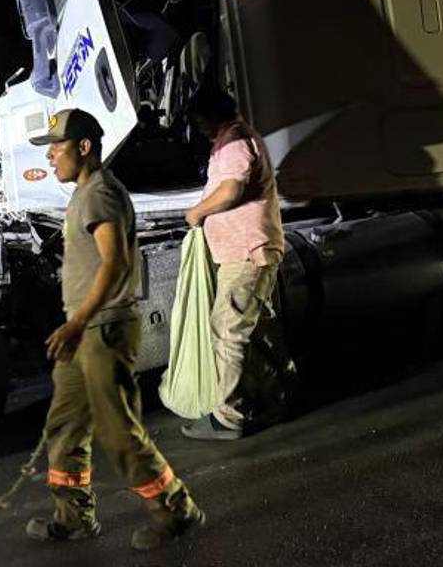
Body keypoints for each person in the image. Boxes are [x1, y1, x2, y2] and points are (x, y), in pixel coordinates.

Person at [25, 108, 204, 551]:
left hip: (102, 330)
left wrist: (79, 321)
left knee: (118, 431)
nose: (50, 157)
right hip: (82, 331)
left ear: (84, 148)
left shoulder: (100, 193)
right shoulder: (84, 192)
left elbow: (115, 262)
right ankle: (74, 517)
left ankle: (176, 510)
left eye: (57, 147)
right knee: (65, 426)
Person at [181, 87, 286, 441]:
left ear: (210, 116)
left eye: (198, 120)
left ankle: (230, 416)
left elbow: (231, 190)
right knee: (256, 332)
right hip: (250, 249)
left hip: (246, 252)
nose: (198, 128)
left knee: (228, 329)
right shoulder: (238, 137)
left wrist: (197, 212)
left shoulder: (233, 141)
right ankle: (272, 399)